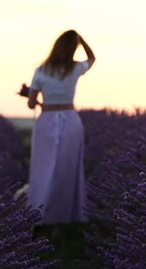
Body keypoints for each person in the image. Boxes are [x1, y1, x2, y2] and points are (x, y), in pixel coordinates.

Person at [26, 29, 95, 228]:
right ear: (73, 48)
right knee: (67, 170)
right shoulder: (75, 68)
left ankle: (39, 216)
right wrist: (82, 40)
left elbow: (31, 104)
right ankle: (62, 221)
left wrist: (33, 97)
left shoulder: (41, 70)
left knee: (43, 169)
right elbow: (92, 58)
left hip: (46, 121)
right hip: (70, 122)